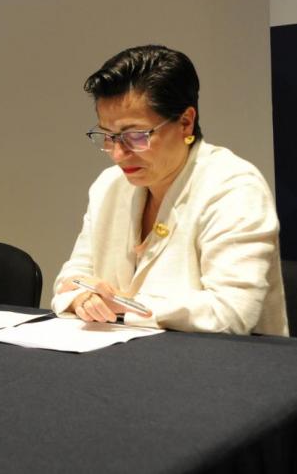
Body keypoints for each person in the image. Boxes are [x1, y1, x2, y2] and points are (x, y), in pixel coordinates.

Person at [52, 45, 288, 335]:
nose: (118, 154)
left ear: (185, 122)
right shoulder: (109, 185)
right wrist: (82, 297)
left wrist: (128, 308)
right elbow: (73, 276)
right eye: (108, 136)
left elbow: (231, 313)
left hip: (222, 369)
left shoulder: (234, 187)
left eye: (135, 136)